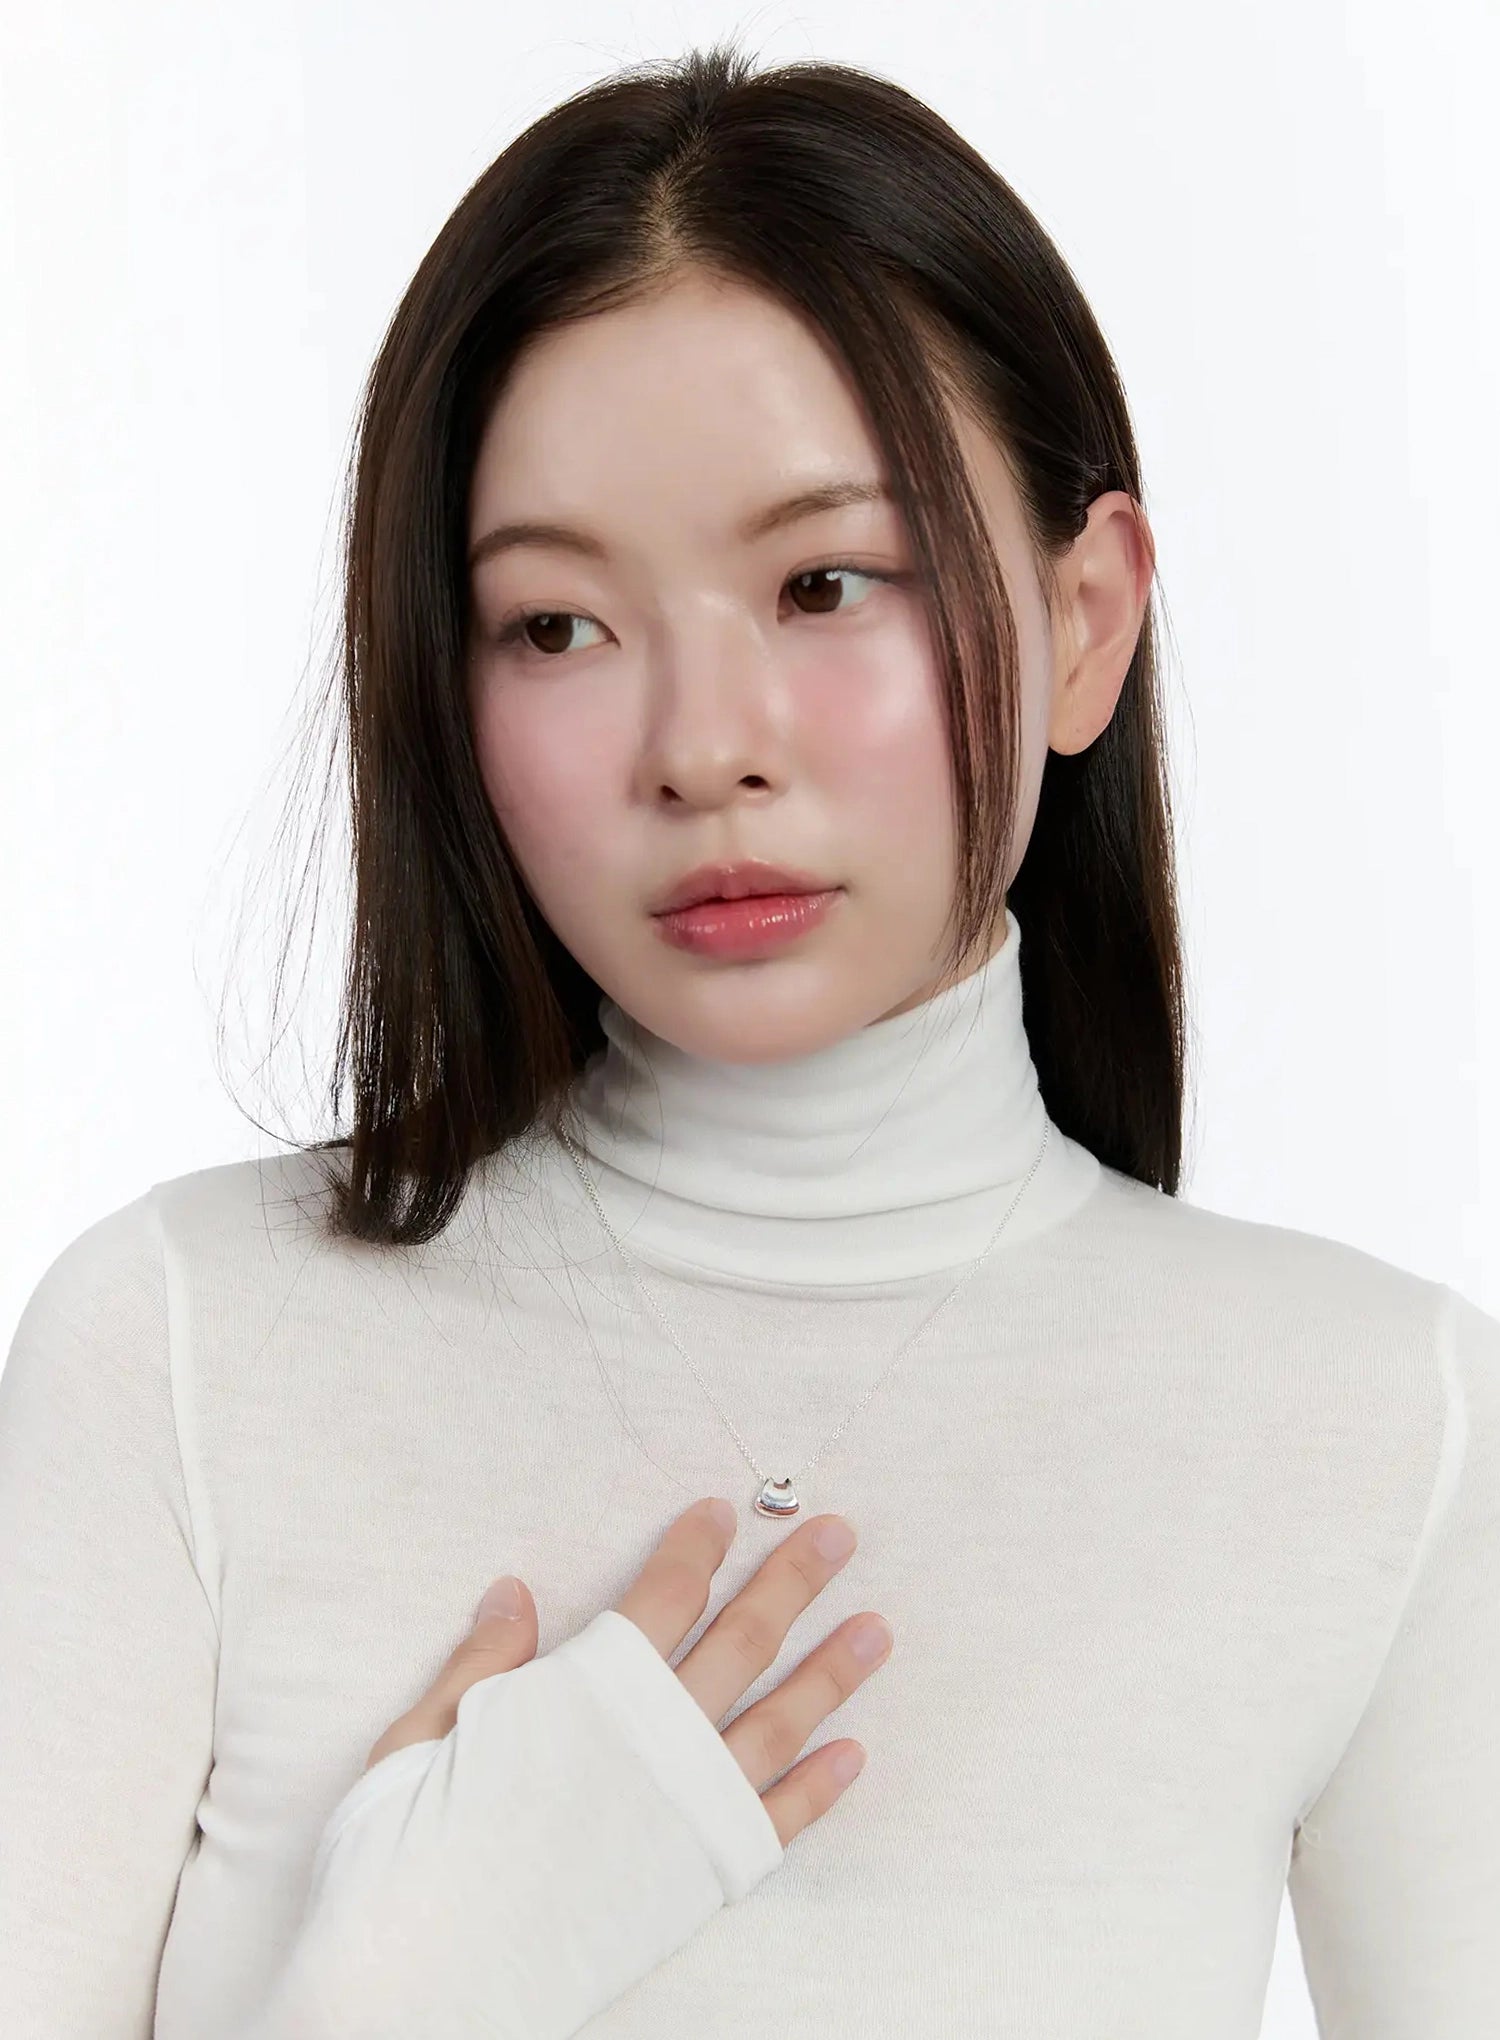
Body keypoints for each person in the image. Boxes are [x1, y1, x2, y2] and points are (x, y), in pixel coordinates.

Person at [1, 37, 1495, 2040]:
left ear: (1084, 622)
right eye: (556, 625)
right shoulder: (177, 1354)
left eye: (823, 582)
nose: (704, 747)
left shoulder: (1382, 1425)